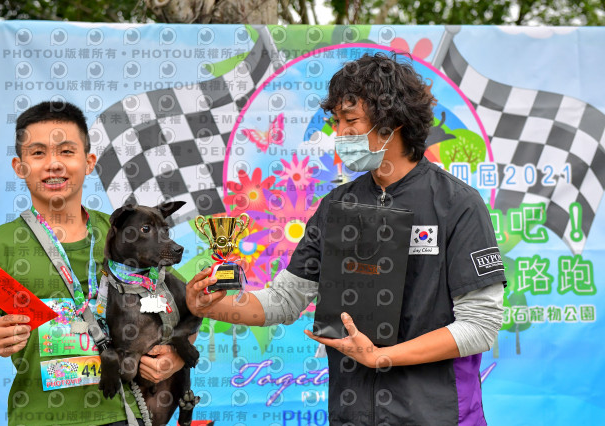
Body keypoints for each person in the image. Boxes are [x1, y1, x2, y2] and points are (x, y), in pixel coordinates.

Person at [186, 52, 506, 425]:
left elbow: (480, 325)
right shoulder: (336, 206)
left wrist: (382, 356)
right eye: (336, 121)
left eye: (350, 121)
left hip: (440, 415)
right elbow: (284, 301)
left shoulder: (457, 204)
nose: (339, 134)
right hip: (353, 414)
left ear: (393, 123)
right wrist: (211, 306)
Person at [0, 101, 190, 426]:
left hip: (126, 415)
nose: (53, 164)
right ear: (19, 166)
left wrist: (175, 357)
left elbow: (187, 307)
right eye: (38, 153)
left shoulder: (125, 234)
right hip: (38, 419)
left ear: (88, 162)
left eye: (66, 151)